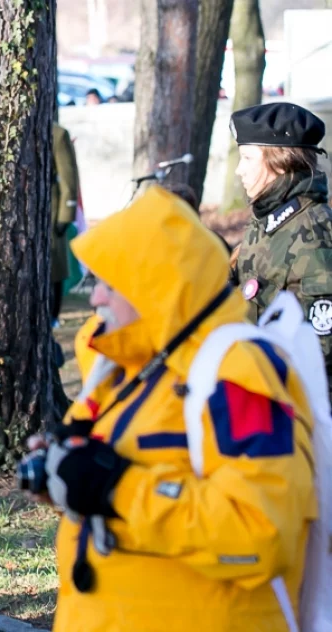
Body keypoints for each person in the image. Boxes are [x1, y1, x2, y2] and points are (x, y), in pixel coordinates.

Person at [30, 185, 316, 631]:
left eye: (109, 284)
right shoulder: (126, 369)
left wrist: (116, 489)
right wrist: (65, 476)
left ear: (154, 285)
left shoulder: (237, 375)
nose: (95, 299)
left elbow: (260, 534)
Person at [230, 102, 332, 396]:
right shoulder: (266, 224)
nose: (239, 170)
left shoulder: (315, 238)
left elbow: (320, 357)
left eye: (248, 158)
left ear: (279, 162)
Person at [51, 123, 80, 323]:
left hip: (51, 214)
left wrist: (65, 216)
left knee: (55, 268)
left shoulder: (57, 134)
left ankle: (52, 316)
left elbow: (68, 179)